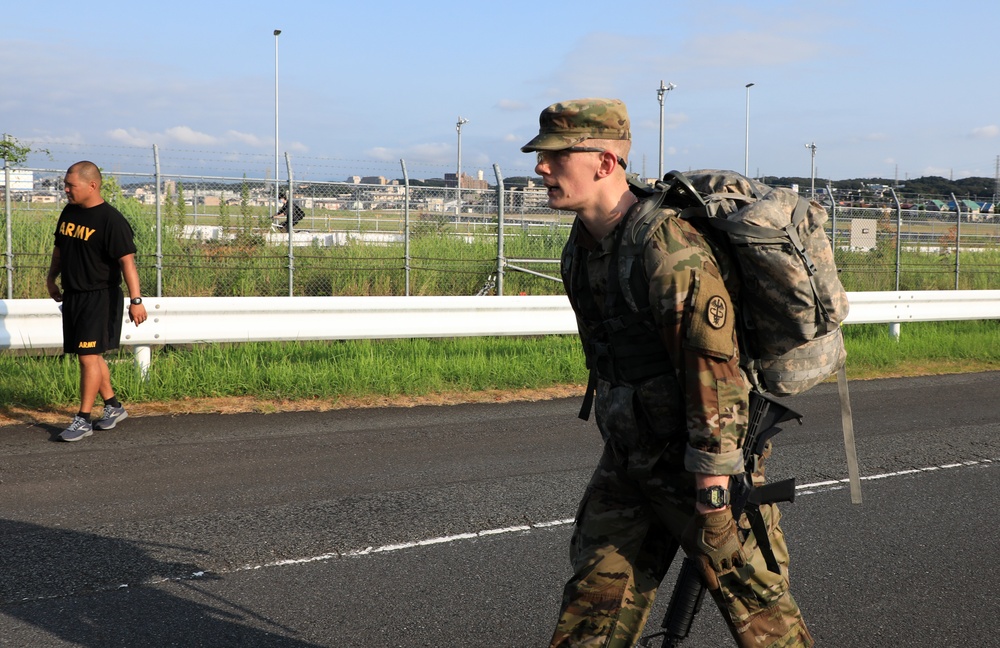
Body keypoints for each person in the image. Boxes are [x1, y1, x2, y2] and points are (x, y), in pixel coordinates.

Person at [522, 99, 813, 647]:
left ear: (605, 163)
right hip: (632, 457)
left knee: (759, 614)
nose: (542, 167)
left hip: (699, 462)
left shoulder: (667, 249)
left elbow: (715, 371)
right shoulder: (583, 248)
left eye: (556, 155)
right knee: (594, 605)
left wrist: (714, 484)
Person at [46, 161, 147, 442]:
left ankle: (83, 419)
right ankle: (113, 406)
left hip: (100, 296)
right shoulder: (69, 211)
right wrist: (51, 278)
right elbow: (60, 249)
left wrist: (136, 300)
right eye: (65, 184)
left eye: (71, 185)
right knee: (91, 355)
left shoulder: (111, 220)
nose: (65, 189)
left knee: (87, 357)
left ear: (92, 185)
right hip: (74, 295)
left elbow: (127, 263)